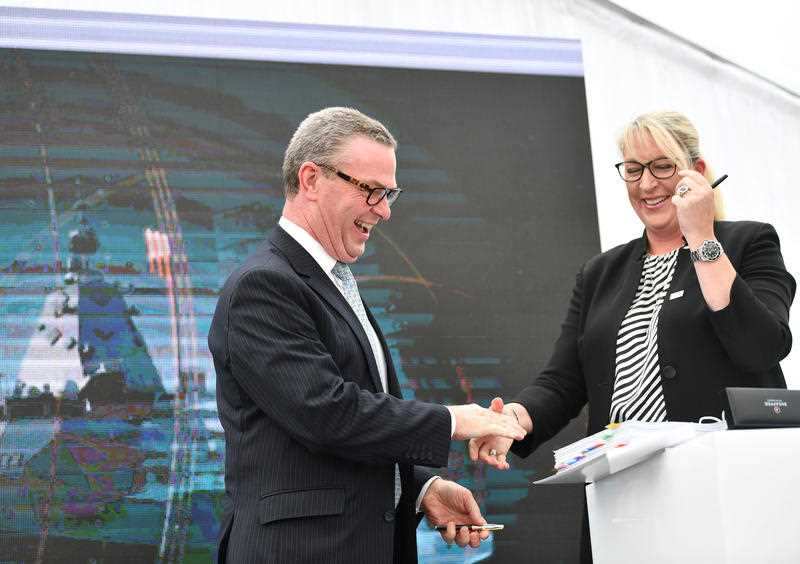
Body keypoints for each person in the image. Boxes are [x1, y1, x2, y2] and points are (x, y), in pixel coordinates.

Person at [469, 110, 796, 562]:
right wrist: (516, 420)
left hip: (719, 495)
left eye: (663, 166)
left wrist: (701, 235)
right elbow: (563, 381)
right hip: (621, 500)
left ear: (697, 173)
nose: (647, 185)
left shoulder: (748, 243)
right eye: (633, 169)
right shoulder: (600, 273)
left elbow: (761, 346)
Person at [208, 107, 526, 564]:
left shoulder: (330, 281)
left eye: (390, 192)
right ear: (312, 179)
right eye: (372, 191)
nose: (385, 210)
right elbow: (326, 415)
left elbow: (337, 439)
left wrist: (419, 489)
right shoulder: (265, 286)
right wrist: (456, 420)